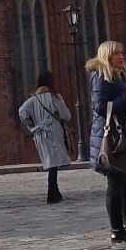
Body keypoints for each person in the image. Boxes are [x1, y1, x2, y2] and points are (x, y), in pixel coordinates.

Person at [87, 39, 126, 244]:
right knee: (115, 185)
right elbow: (99, 107)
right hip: (114, 139)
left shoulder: (119, 76)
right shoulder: (100, 77)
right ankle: (117, 230)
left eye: (122, 53)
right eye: (116, 54)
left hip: (125, 136)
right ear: (106, 56)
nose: (121, 57)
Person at [17, 69, 75, 204]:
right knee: (53, 163)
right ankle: (52, 193)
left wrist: (32, 124)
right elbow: (66, 115)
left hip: (40, 134)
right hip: (53, 132)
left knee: (50, 162)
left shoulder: (32, 100)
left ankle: (55, 191)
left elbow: (22, 112)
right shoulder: (55, 97)